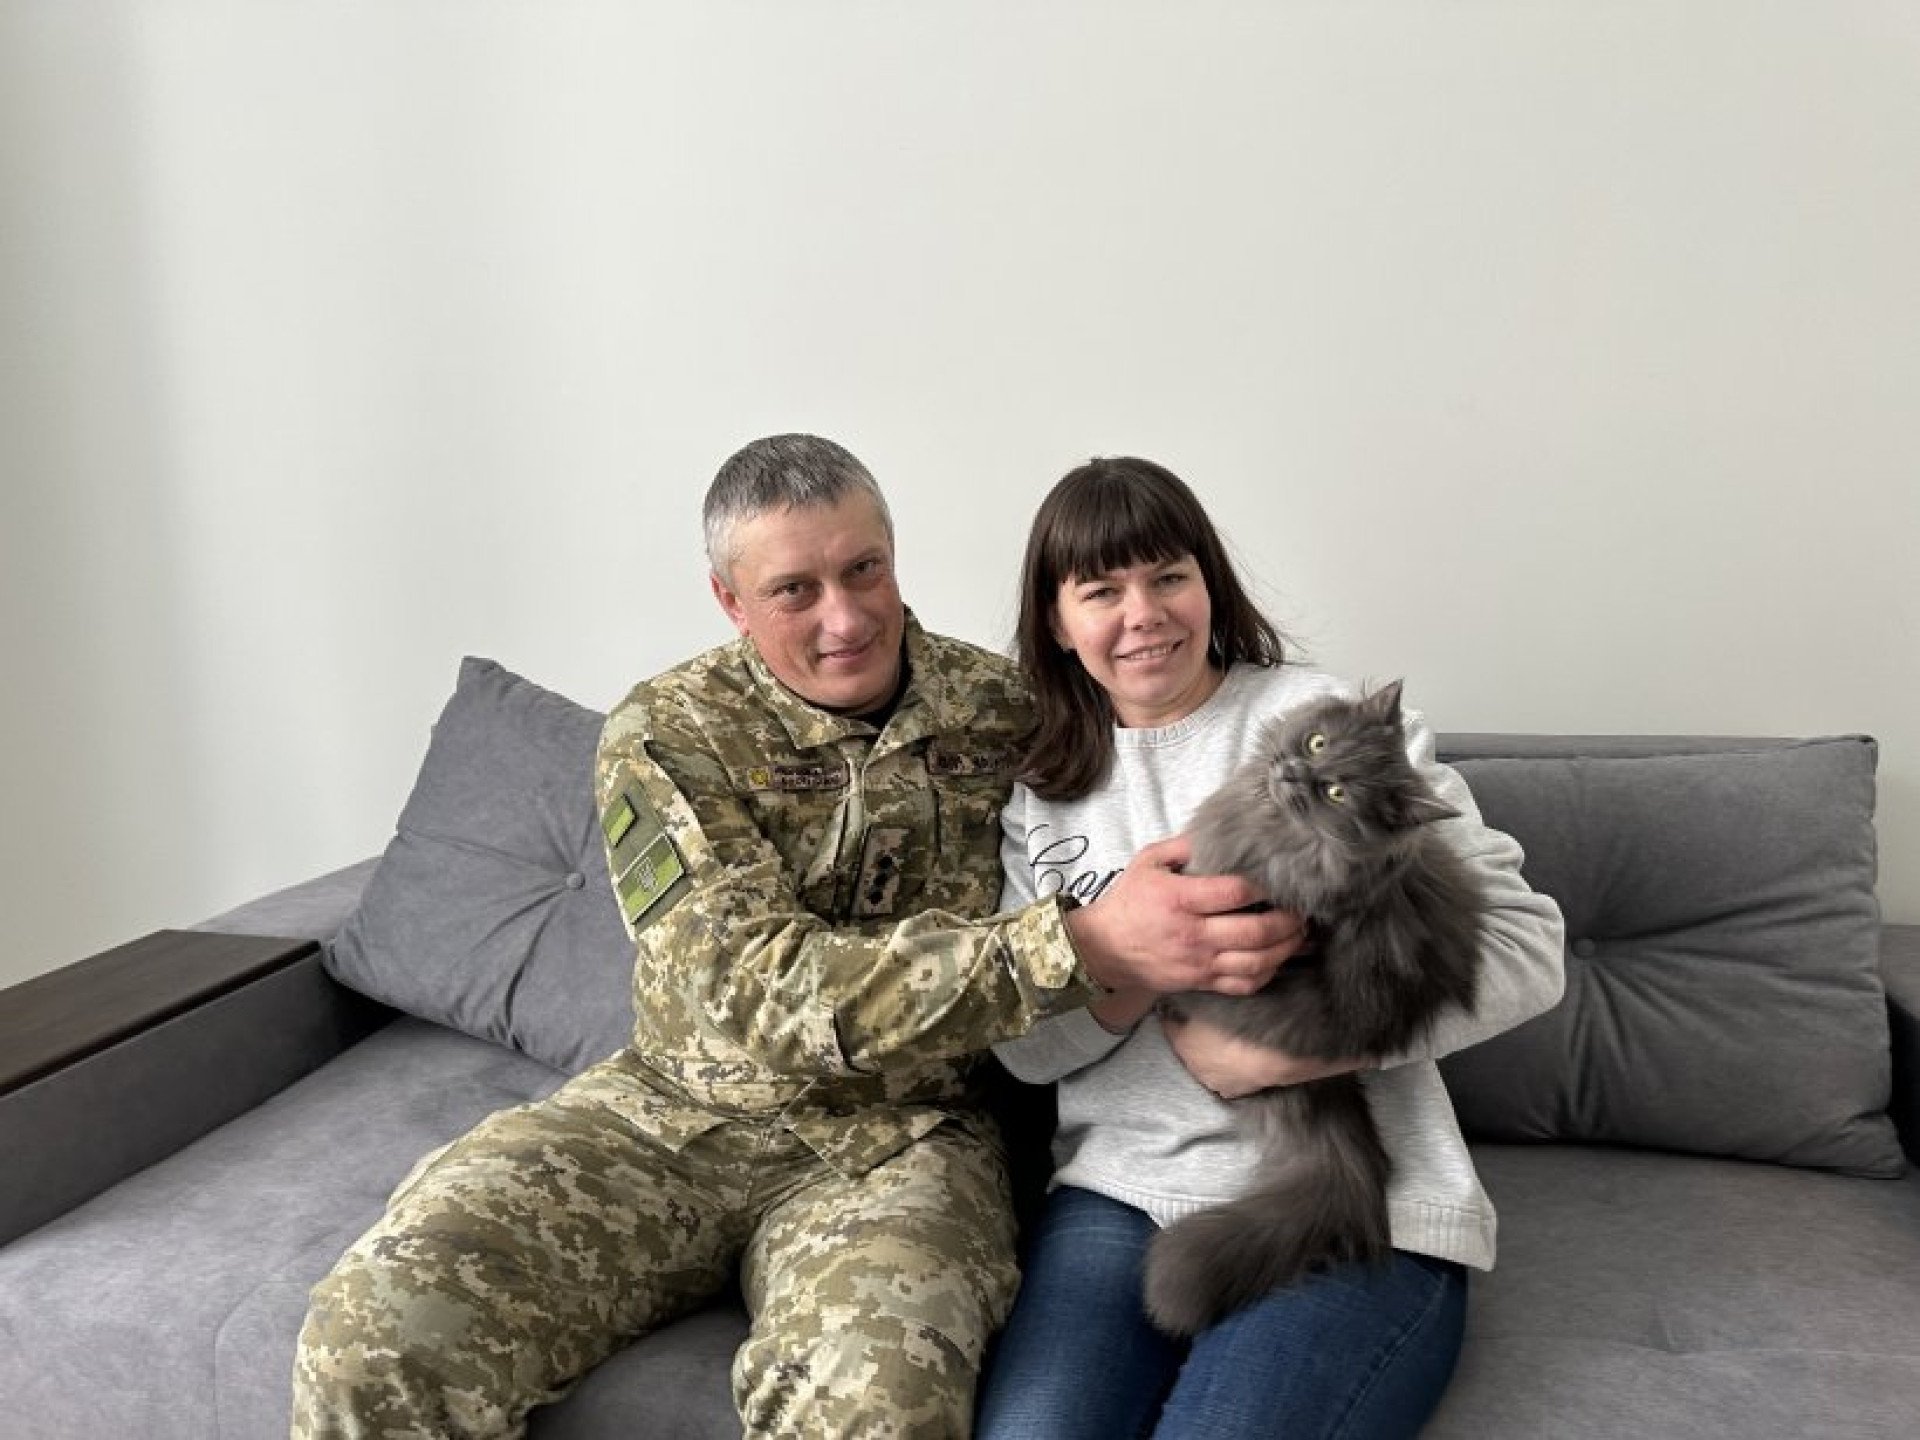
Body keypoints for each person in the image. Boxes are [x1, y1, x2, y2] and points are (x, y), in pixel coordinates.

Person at [290, 435, 1304, 1439]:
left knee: (881, 1403)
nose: (847, 617)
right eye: (794, 591)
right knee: (374, 1334)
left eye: (865, 569)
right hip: (668, 1119)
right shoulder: (670, 732)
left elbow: (1170, 753)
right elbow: (752, 989)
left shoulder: (1007, 712)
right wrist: (1075, 947)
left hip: (908, 1139)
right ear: (731, 600)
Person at [973, 457, 1566, 1440]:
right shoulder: (1039, 792)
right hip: (1118, 1195)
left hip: (1364, 1203)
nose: (1143, 615)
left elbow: (1529, 945)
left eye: (1168, 576)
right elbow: (1025, 1052)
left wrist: (1292, 1053)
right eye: (1101, 591)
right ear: (1057, 622)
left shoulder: (1327, 722)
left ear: (1209, 583)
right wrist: (1128, 959)